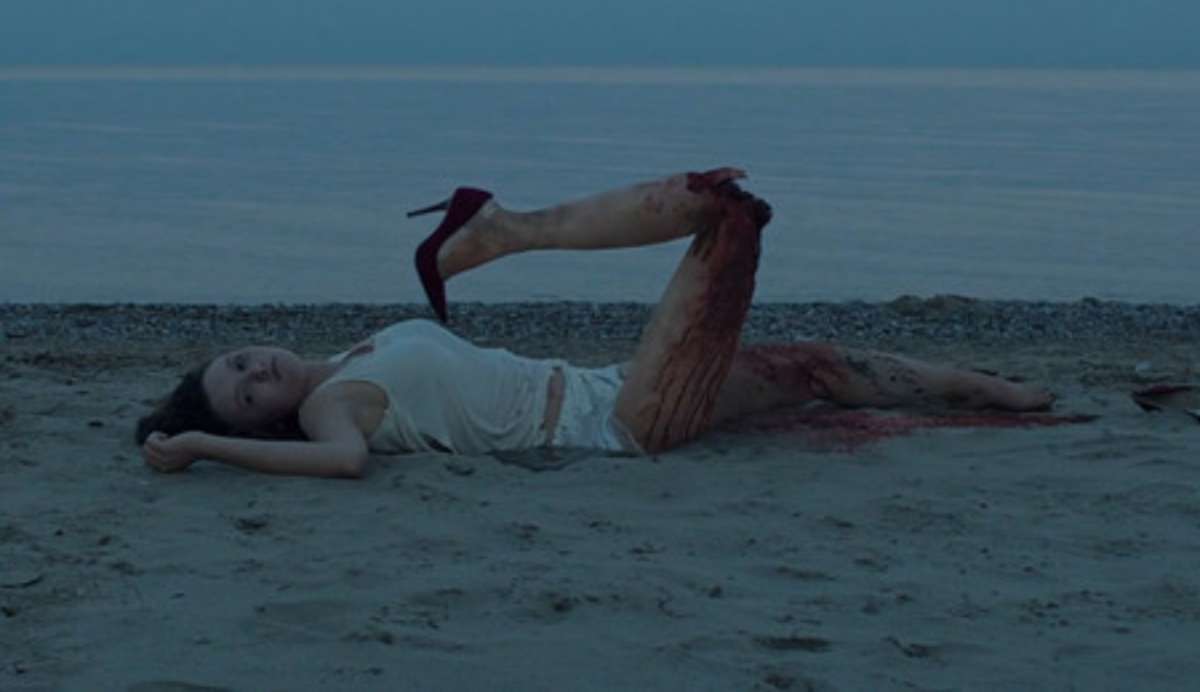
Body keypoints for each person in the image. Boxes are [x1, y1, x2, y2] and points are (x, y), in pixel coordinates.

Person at [138, 168, 1052, 477]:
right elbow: (343, 465)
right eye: (244, 394)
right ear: (263, 422)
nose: (256, 372)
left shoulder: (349, 354)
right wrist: (202, 447)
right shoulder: (326, 410)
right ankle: (504, 231)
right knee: (720, 218)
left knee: (816, 365)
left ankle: (997, 393)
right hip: (615, 426)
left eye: (239, 361)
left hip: (607, 387)